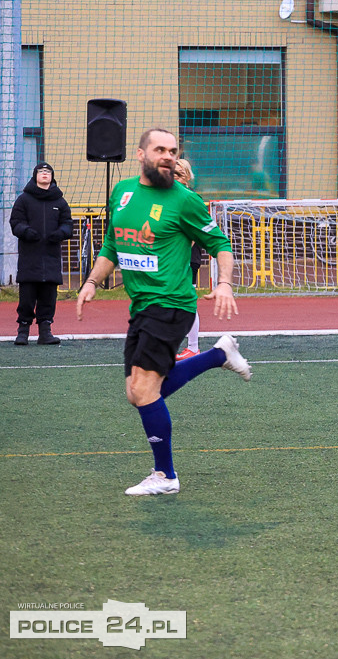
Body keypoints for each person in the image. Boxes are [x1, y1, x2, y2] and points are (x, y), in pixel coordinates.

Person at [77, 127, 253, 496]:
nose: (168, 156)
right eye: (160, 149)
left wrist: (224, 283)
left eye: (173, 150)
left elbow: (220, 243)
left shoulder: (184, 200)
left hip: (172, 304)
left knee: (144, 390)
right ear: (140, 154)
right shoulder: (122, 192)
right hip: (141, 306)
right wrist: (92, 281)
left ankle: (165, 476)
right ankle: (219, 354)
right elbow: (112, 242)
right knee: (136, 392)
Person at [9, 162, 72, 345]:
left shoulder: (60, 201)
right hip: (30, 258)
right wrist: (26, 231)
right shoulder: (24, 200)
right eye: (41, 171)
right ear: (35, 175)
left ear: (52, 176)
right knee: (27, 297)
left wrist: (61, 233)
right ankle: (23, 331)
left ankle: (45, 332)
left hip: (51, 258)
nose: (44, 174)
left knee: (48, 297)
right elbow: (15, 222)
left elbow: (68, 224)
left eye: (48, 172)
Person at [172, 158, 203, 360]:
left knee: (186, 301)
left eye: (179, 172)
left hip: (186, 258)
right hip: (170, 258)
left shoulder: (191, 198)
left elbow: (194, 231)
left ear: (187, 175)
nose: (175, 175)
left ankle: (193, 346)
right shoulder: (167, 197)